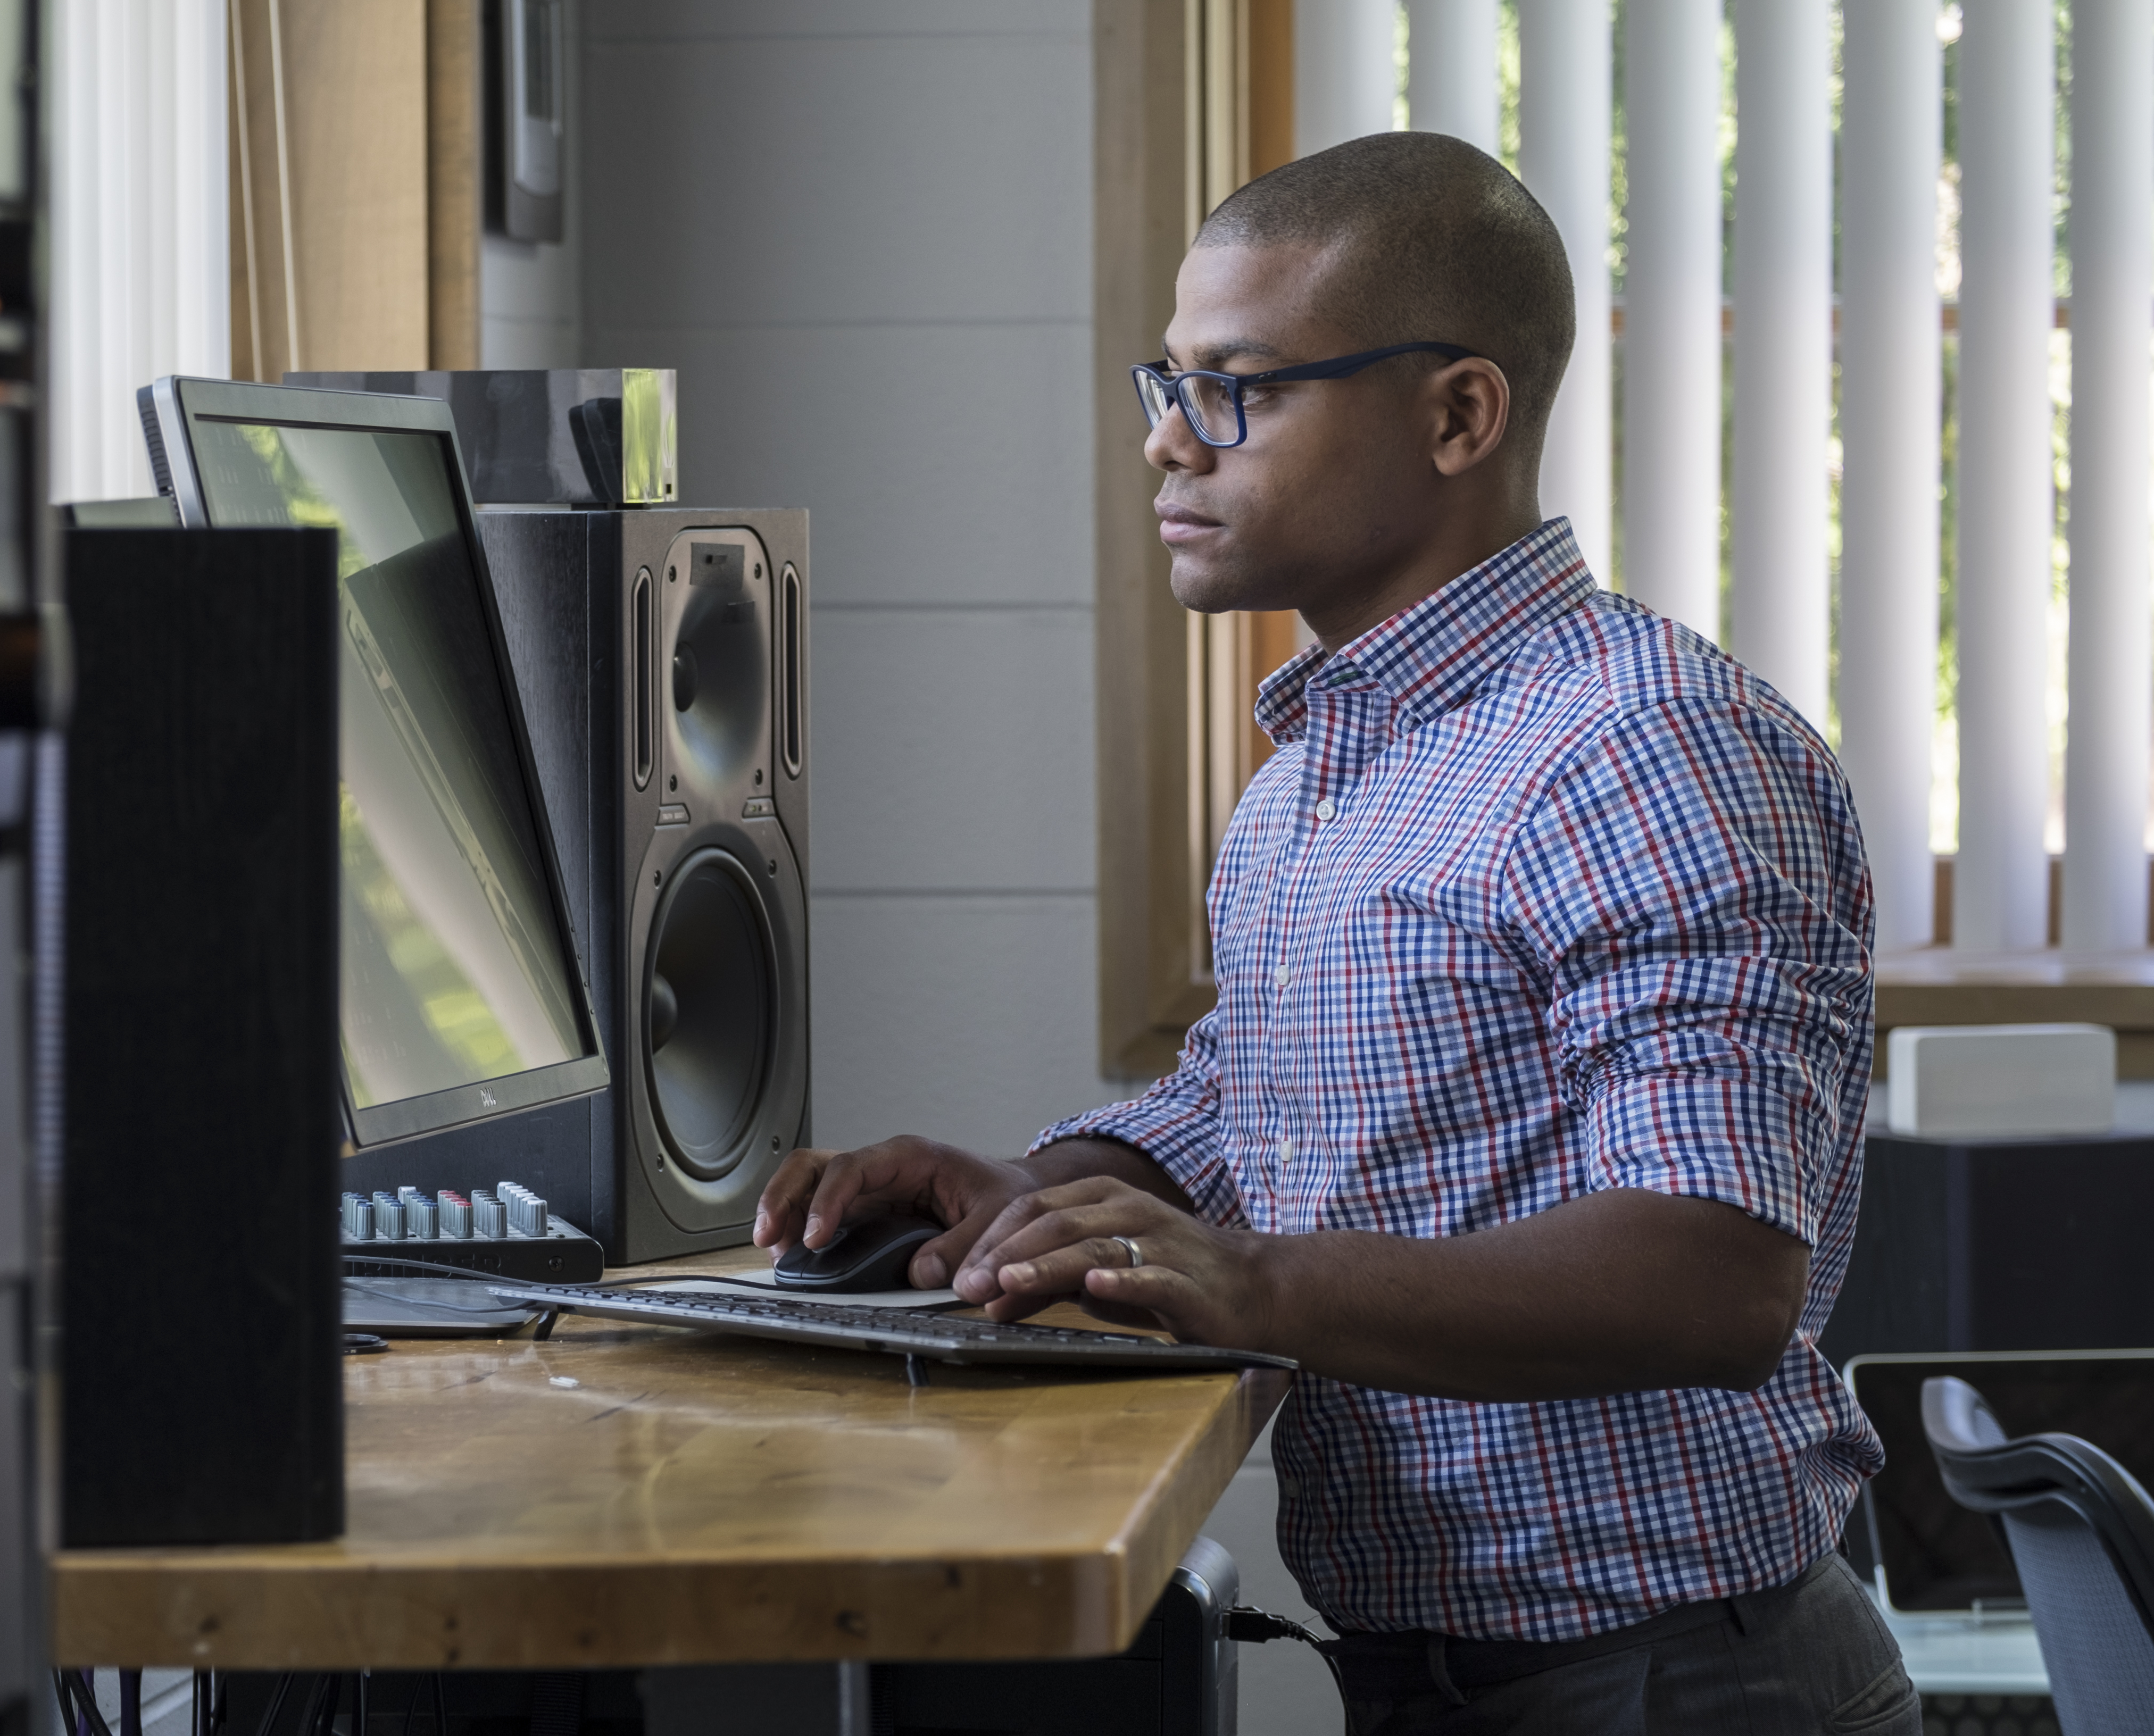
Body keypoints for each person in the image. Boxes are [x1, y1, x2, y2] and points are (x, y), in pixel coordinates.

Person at [754, 133, 1915, 1734]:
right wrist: (1058, 1192)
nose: (1168, 444)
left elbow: (1710, 1273)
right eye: (1167, 382)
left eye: (1241, 389)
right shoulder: (1333, 756)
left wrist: (1257, 1286)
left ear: (1459, 415)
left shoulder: (1646, 749)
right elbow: (1275, 1092)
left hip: (1674, 1687)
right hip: (1457, 1680)